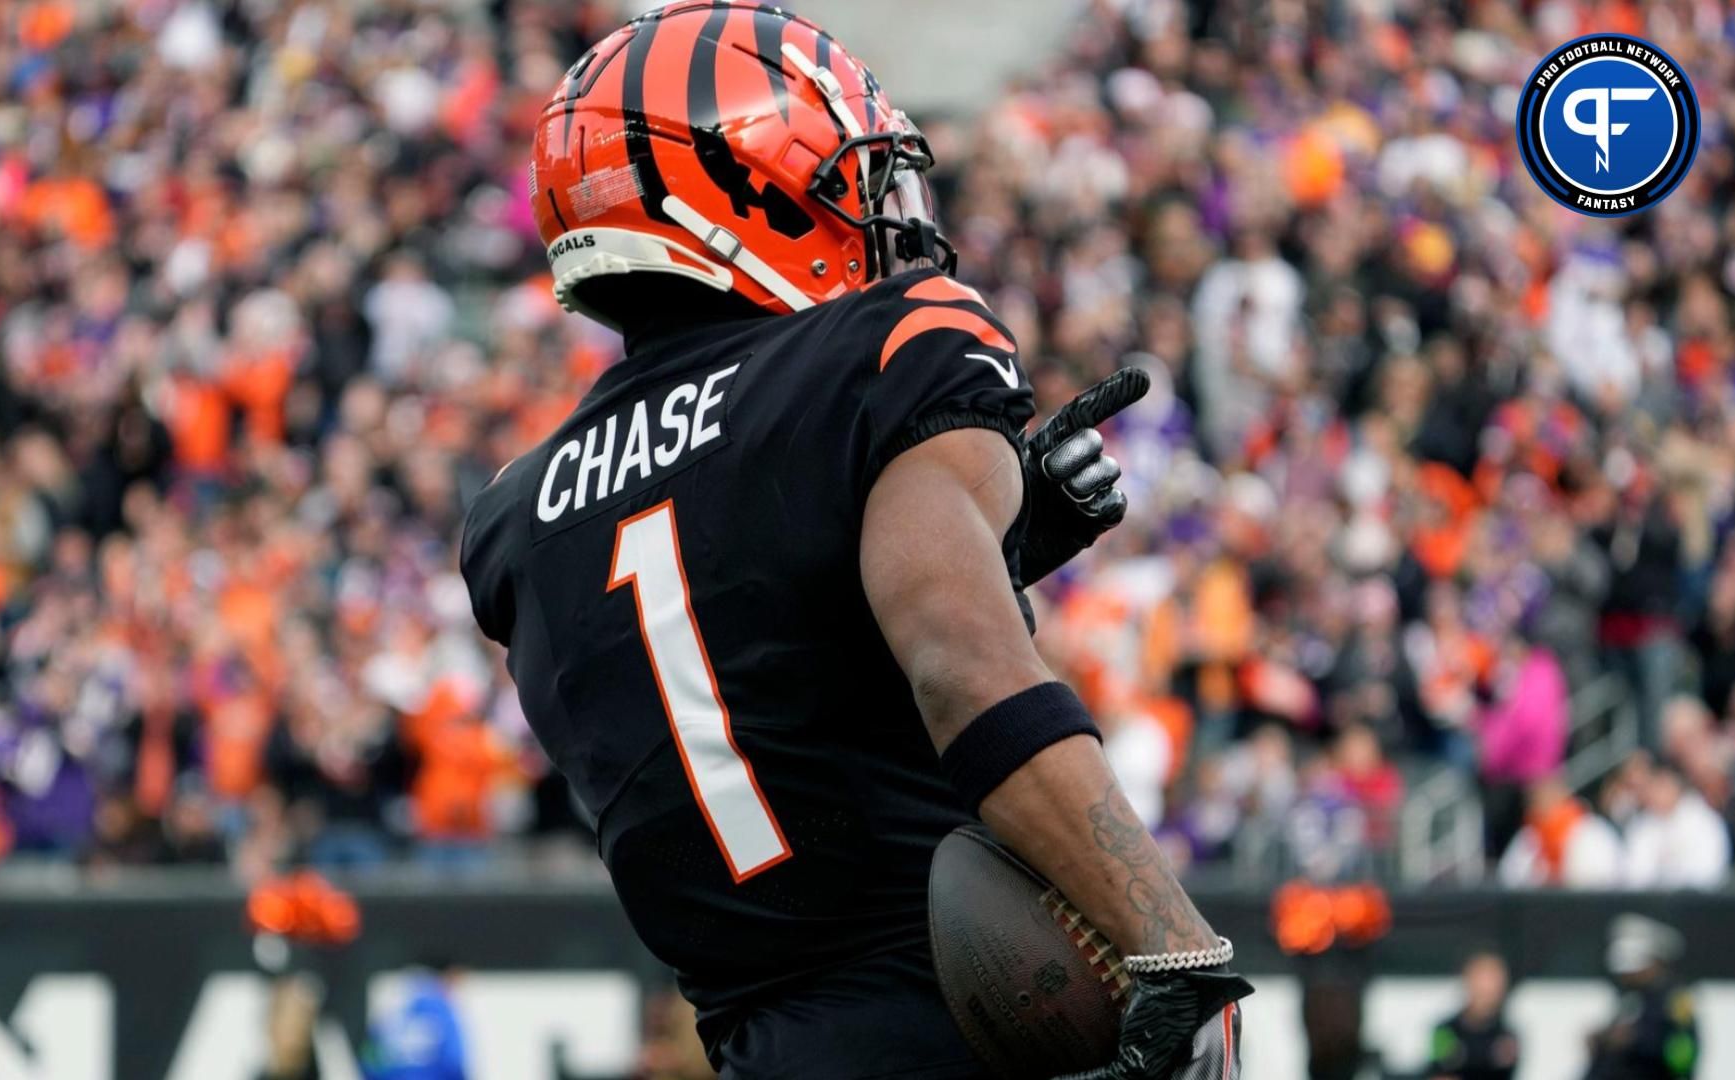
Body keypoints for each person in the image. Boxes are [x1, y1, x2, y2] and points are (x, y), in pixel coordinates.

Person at [458, 4, 1248, 1078]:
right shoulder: (887, 351)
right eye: (842, 179)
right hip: (968, 1028)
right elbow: (961, 668)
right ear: (739, 188)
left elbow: (756, 672)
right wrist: (1174, 945)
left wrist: (996, 538)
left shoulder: (517, 517)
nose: (874, 213)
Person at [1585, 916, 1699, 1080]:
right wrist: (1602, 1041)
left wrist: (1635, 1041)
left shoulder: (1675, 998)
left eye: (1633, 970)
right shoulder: (1631, 997)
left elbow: (1681, 1051)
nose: (1625, 976)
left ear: (1654, 963)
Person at [1427, 951, 1519, 1080]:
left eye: (1494, 979)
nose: (1487, 987)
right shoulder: (1444, 1031)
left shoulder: (1507, 1036)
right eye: (1482, 978)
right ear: (1468, 979)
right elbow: (1439, 1072)